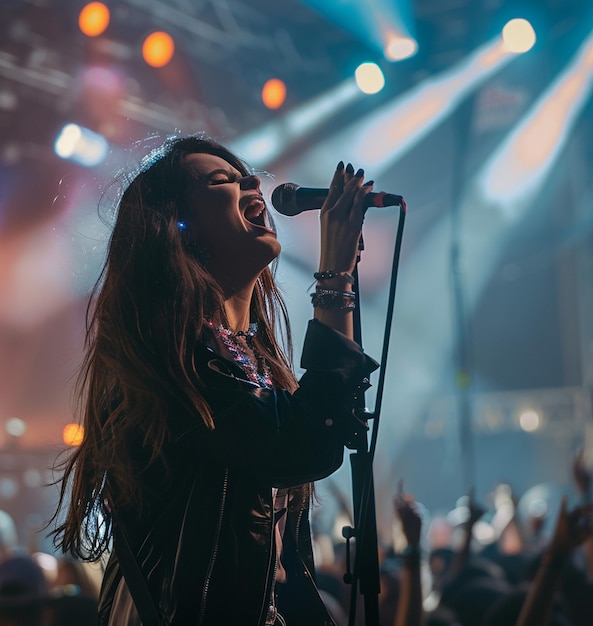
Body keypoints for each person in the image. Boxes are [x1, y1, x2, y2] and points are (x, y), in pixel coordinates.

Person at [50, 134, 378, 626]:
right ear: (177, 227)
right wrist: (333, 277)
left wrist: (342, 279)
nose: (251, 181)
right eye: (221, 180)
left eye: (245, 174)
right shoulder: (172, 360)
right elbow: (307, 444)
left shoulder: (252, 362)